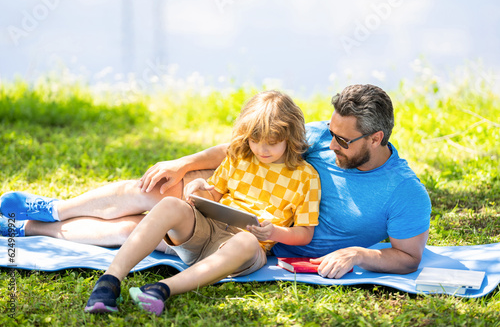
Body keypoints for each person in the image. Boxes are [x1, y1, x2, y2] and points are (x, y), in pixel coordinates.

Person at [1, 84, 431, 280]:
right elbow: (245, 148)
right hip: (239, 198)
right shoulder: (323, 133)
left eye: (343, 139)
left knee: (136, 230)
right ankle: (53, 208)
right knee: (155, 190)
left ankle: (29, 230)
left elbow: (409, 257)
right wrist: (183, 163)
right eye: (331, 132)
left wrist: (359, 253)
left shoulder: (405, 191)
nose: (330, 142)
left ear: (375, 138)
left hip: (267, 234)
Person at [82, 90, 321, 315]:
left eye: (272, 141)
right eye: (255, 140)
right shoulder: (240, 157)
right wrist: (199, 192)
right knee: (169, 205)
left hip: (242, 250)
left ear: (290, 136)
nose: (262, 149)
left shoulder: (305, 176)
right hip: (206, 231)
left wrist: (275, 232)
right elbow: (214, 194)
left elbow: (305, 233)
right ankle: (109, 282)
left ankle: (161, 289)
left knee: (247, 240)